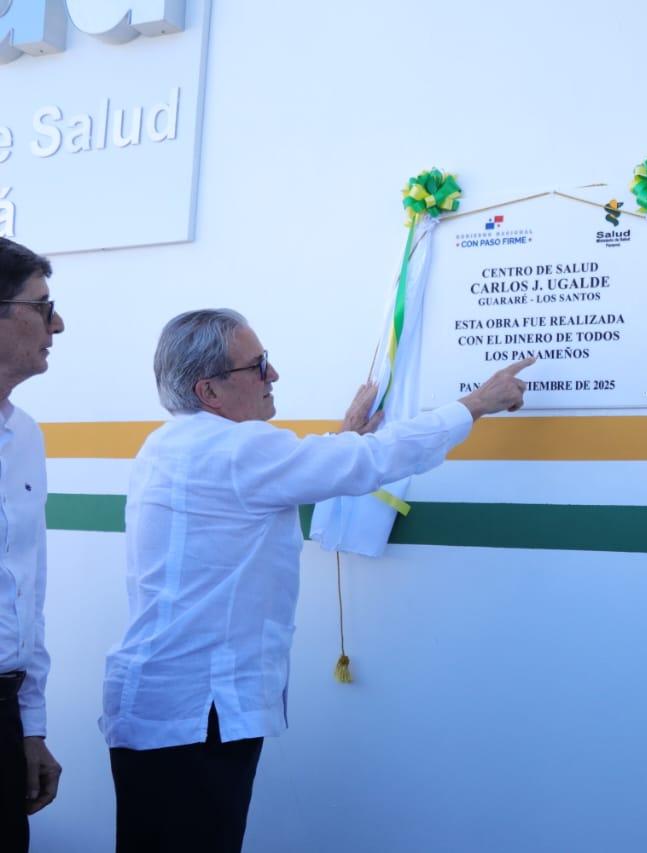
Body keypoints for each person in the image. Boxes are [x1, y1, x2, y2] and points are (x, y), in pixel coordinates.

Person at [100, 309, 531, 853]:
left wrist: (343, 438)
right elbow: (370, 460)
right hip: (196, 712)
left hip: (175, 705)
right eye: (258, 366)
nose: (273, 375)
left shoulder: (176, 445)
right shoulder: (233, 450)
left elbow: (290, 472)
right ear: (209, 391)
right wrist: (475, 404)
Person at [0, 238, 64, 853]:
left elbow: (27, 590)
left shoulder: (25, 437)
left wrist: (30, 725)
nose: (57, 324)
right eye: (43, 307)